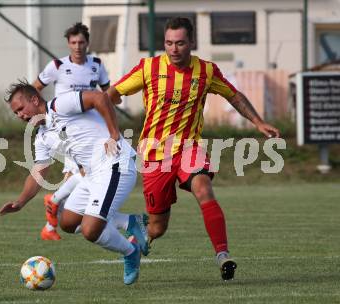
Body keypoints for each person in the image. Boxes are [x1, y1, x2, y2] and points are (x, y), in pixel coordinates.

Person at [107, 17, 280, 281]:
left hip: (189, 148)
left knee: (203, 187)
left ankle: (223, 255)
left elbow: (233, 95)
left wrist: (258, 122)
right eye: (168, 43)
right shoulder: (148, 68)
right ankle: (133, 247)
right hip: (155, 156)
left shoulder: (206, 71)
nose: (174, 49)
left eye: (180, 43)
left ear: (192, 43)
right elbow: (110, 95)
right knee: (157, 227)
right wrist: (108, 131)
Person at [0, 81, 147, 285]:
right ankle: (129, 222)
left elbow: (100, 97)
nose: (20, 115)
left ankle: (131, 252)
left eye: (21, 109)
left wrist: (114, 134)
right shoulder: (42, 137)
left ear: (34, 99)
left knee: (90, 230)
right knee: (67, 222)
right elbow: (38, 172)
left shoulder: (61, 105)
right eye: (16, 113)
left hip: (115, 165)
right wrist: (20, 202)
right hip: (92, 175)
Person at [32, 22, 111, 241]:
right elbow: (34, 88)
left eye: (81, 42)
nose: (78, 46)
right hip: (67, 129)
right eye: (74, 42)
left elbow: (107, 93)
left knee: (75, 174)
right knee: (85, 172)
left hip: (91, 129)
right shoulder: (57, 66)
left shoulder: (96, 65)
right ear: (68, 44)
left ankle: (50, 224)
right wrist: (45, 113)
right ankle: (55, 206)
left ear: (88, 43)